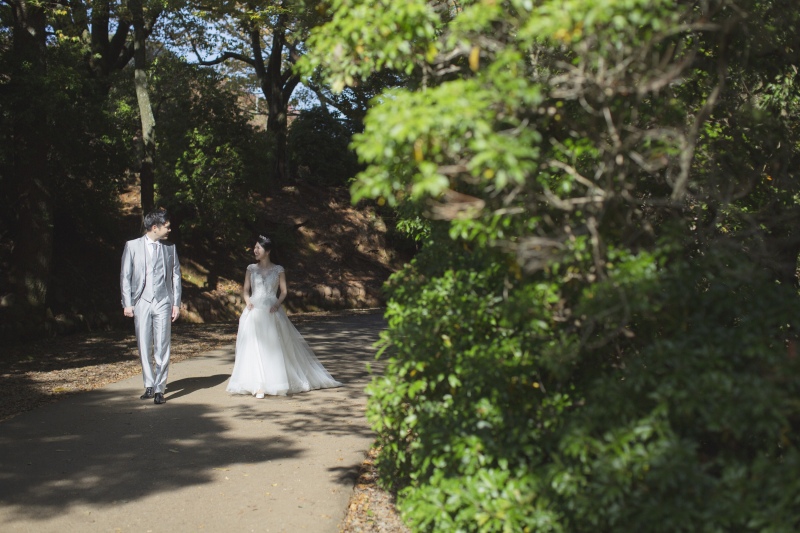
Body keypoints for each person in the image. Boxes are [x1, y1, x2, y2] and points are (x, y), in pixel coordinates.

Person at [227, 234, 341, 398]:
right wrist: (247, 301)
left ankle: (273, 382)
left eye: (258, 247)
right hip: (254, 310)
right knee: (253, 346)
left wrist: (277, 304)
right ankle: (257, 384)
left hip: (271, 310)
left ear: (267, 251)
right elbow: (245, 290)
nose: (255, 250)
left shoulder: (278, 269)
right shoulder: (251, 268)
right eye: (255, 247)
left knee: (275, 346)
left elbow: (284, 291)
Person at [120, 208, 182, 405]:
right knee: (144, 344)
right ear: (154, 227)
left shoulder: (169, 248)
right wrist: (128, 303)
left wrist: (176, 303)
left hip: (163, 301)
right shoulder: (132, 246)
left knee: (163, 345)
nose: (169, 230)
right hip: (141, 302)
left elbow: (176, 276)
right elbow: (125, 276)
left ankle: (160, 388)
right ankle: (149, 383)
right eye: (167, 226)